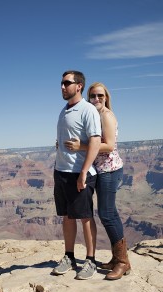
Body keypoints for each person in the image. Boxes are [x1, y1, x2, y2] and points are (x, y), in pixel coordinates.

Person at [65, 82, 131, 280]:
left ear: (106, 97)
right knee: (106, 214)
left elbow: (109, 146)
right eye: (92, 96)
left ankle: (122, 262)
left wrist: (80, 147)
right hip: (98, 170)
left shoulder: (106, 116)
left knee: (107, 214)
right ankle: (116, 258)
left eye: (100, 96)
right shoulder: (93, 115)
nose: (96, 99)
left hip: (109, 171)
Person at [52, 71, 101, 280]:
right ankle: (69, 256)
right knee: (67, 216)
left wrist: (83, 172)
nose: (62, 87)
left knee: (85, 217)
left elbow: (96, 142)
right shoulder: (64, 110)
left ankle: (90, 260)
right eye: (61, 83)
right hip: (61, 171)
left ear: (79, 85)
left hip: (79, 173)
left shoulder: (88, 110)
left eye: (66, 83)